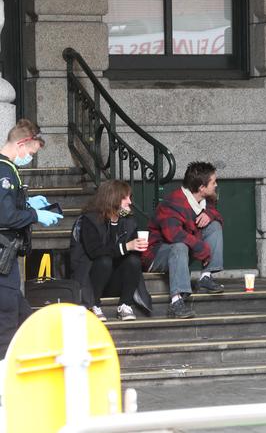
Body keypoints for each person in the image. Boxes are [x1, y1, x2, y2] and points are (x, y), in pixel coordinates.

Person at [0, 119, 63, 358]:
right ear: (22, 143)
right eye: (31, 152)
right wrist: (35, 214)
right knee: (7, 325)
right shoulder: (4, 171)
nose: (30, 157)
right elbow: (4, 216)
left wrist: (27, 203)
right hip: (2, 260)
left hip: (6, 262)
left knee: (23, 318)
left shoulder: (7, 169)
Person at [143, 161, 225, 319]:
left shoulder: (206, 200)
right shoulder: (172, 203)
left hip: (183, 252)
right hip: (157, 256)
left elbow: (216, 214)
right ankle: (176, 301)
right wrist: (202, 247)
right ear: (202, 188)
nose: (216, 185)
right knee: (179, 245)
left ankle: (205, 278)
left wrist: (209, 214)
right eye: (213, 182)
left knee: (213, 225)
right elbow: (173, 236)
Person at [69, 180, 152, 322]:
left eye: (130, 197)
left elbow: (132, 255)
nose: (129, 202)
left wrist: (138, 248)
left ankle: (125, 305)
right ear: (112, 198)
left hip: (116, 280)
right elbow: (95, 252)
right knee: (104, 261)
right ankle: (94, 305)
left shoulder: (128, 220)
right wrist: (126, 247)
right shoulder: (90, 220)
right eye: (125, 197)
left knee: (133, 260)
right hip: (91, 280)